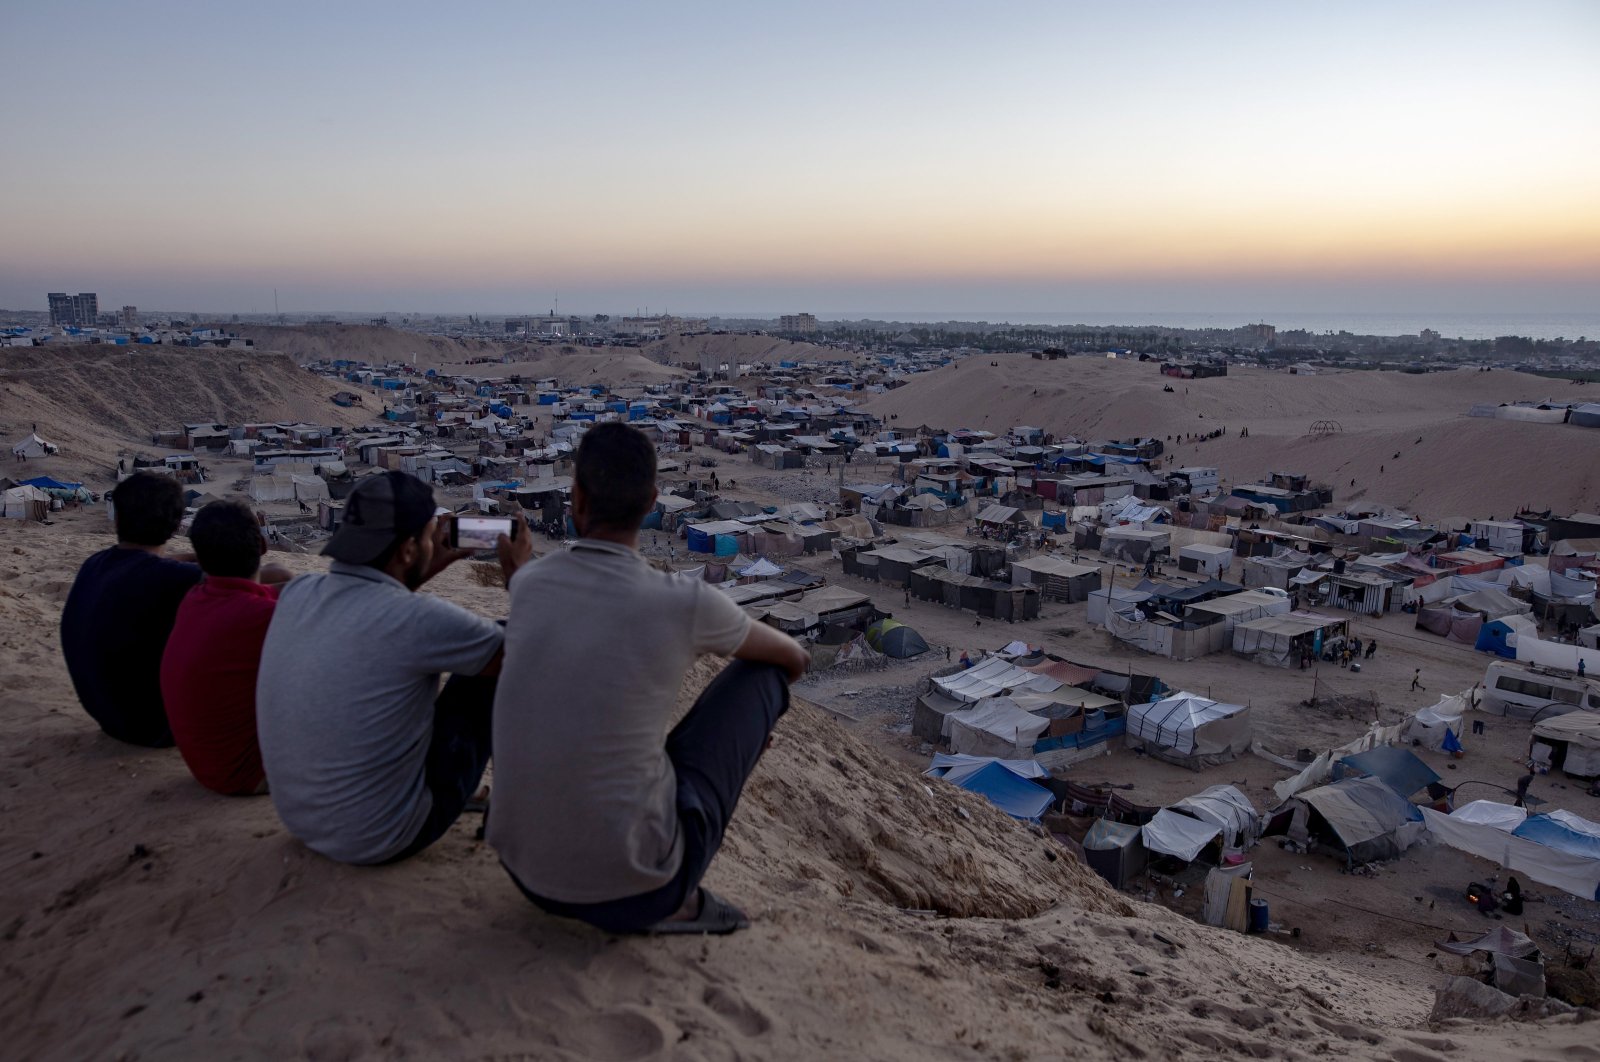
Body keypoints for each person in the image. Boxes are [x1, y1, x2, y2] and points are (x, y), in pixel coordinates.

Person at [490, 424, 808, 934]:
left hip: (525, 872)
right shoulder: (682, 601)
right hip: (638, 889)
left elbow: (537, 607)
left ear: (575, 499)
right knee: (762, 679)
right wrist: (742, 734)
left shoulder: (528, 583)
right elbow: (792, 659)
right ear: (653, 502)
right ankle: (678, 904)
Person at [256, 471, 532, 866]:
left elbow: (379, 615)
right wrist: (517, 576)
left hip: (303, 820)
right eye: (426, 536)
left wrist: (422, 567)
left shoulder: (299, 593)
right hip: (384, 835)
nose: (433, 542)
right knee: (502, 649)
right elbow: (529, 657)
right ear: (405, 550)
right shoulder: (417, 620)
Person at [60, 473, 209, 746]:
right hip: (155, 727)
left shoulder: (95, 563)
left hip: (109, 718)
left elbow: (151, 564)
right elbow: (241, 579)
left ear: (117, 518)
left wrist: (189, 558)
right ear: (176, 526)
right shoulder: (176, 579)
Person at [159, 501, 286, 795]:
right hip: (248, 775)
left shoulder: (196, 597)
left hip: (208, 766)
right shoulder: (263, 619)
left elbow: (269, 589)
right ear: (264, 546)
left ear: (200, 561)